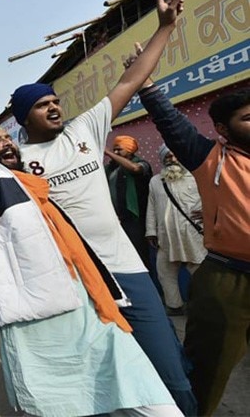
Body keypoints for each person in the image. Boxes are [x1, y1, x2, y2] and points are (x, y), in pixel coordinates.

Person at [0, 0, 195, 414]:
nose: (53, 108)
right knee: (94, 381)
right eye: (42, 105)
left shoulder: (85, 128)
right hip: (73, 281)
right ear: (24, 116)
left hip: (127, 269)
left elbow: (131, 79)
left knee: (171, 374)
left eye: (54, 101)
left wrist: (165, 26)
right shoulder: (14, 161)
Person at [0, 122, 182, 416]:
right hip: (38, 319)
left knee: (149, 398)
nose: (7, 143)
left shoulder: (36, 184)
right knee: (60, 404)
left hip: (88, 303)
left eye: (8, 137)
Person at [139, 85, 250, 416]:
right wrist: (147, 88)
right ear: (222, 129)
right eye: (248, 118)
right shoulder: (208, 157)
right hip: (229, 282)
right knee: (206, 374)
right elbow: (171, 122)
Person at [145, 144, 206, 315]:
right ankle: (174, 306)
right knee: (164, 271)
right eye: (167, 156)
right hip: (166, 237)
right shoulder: (155, 181)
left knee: (200, 272)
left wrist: (208, 214)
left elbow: (211, 197)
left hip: (192, 234)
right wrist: (150, 231)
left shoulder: (195, 176)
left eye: (174, 155)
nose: (171, 159)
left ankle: (204, 306)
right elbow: (151, 206)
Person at [105, 135, 153, 271]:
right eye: (114, 150)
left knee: (140, 257)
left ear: (130, 150)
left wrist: (107, 152)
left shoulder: (142, 164)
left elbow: (135, 169)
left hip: (136, 220)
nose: (115, 153)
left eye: (119, 150)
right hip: (116, 221)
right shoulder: (110, 169)